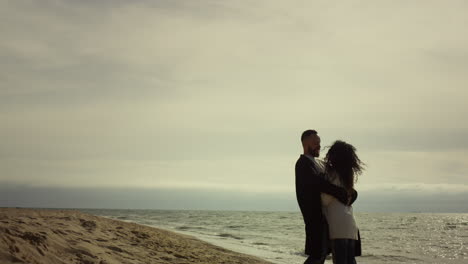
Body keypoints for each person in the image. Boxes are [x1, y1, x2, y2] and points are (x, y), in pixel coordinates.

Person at [295, 130, 358, 264]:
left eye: (319, 143)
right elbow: (317, 183)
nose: (319, 146)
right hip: (315, 217)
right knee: (318, 256)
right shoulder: (303, 163)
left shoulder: (319, 164)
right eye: (315, 143)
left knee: (321, 255)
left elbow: (335, 182)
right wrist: (342, 193)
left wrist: (350, 194)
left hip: (327, 219)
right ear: (306, 144)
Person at [321, 140, 364, 264]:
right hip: (351, 226)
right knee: (350, 260)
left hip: (338, 225)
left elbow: (325, 200)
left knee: (340, 261)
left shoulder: (332, 175)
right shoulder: (347, 178)